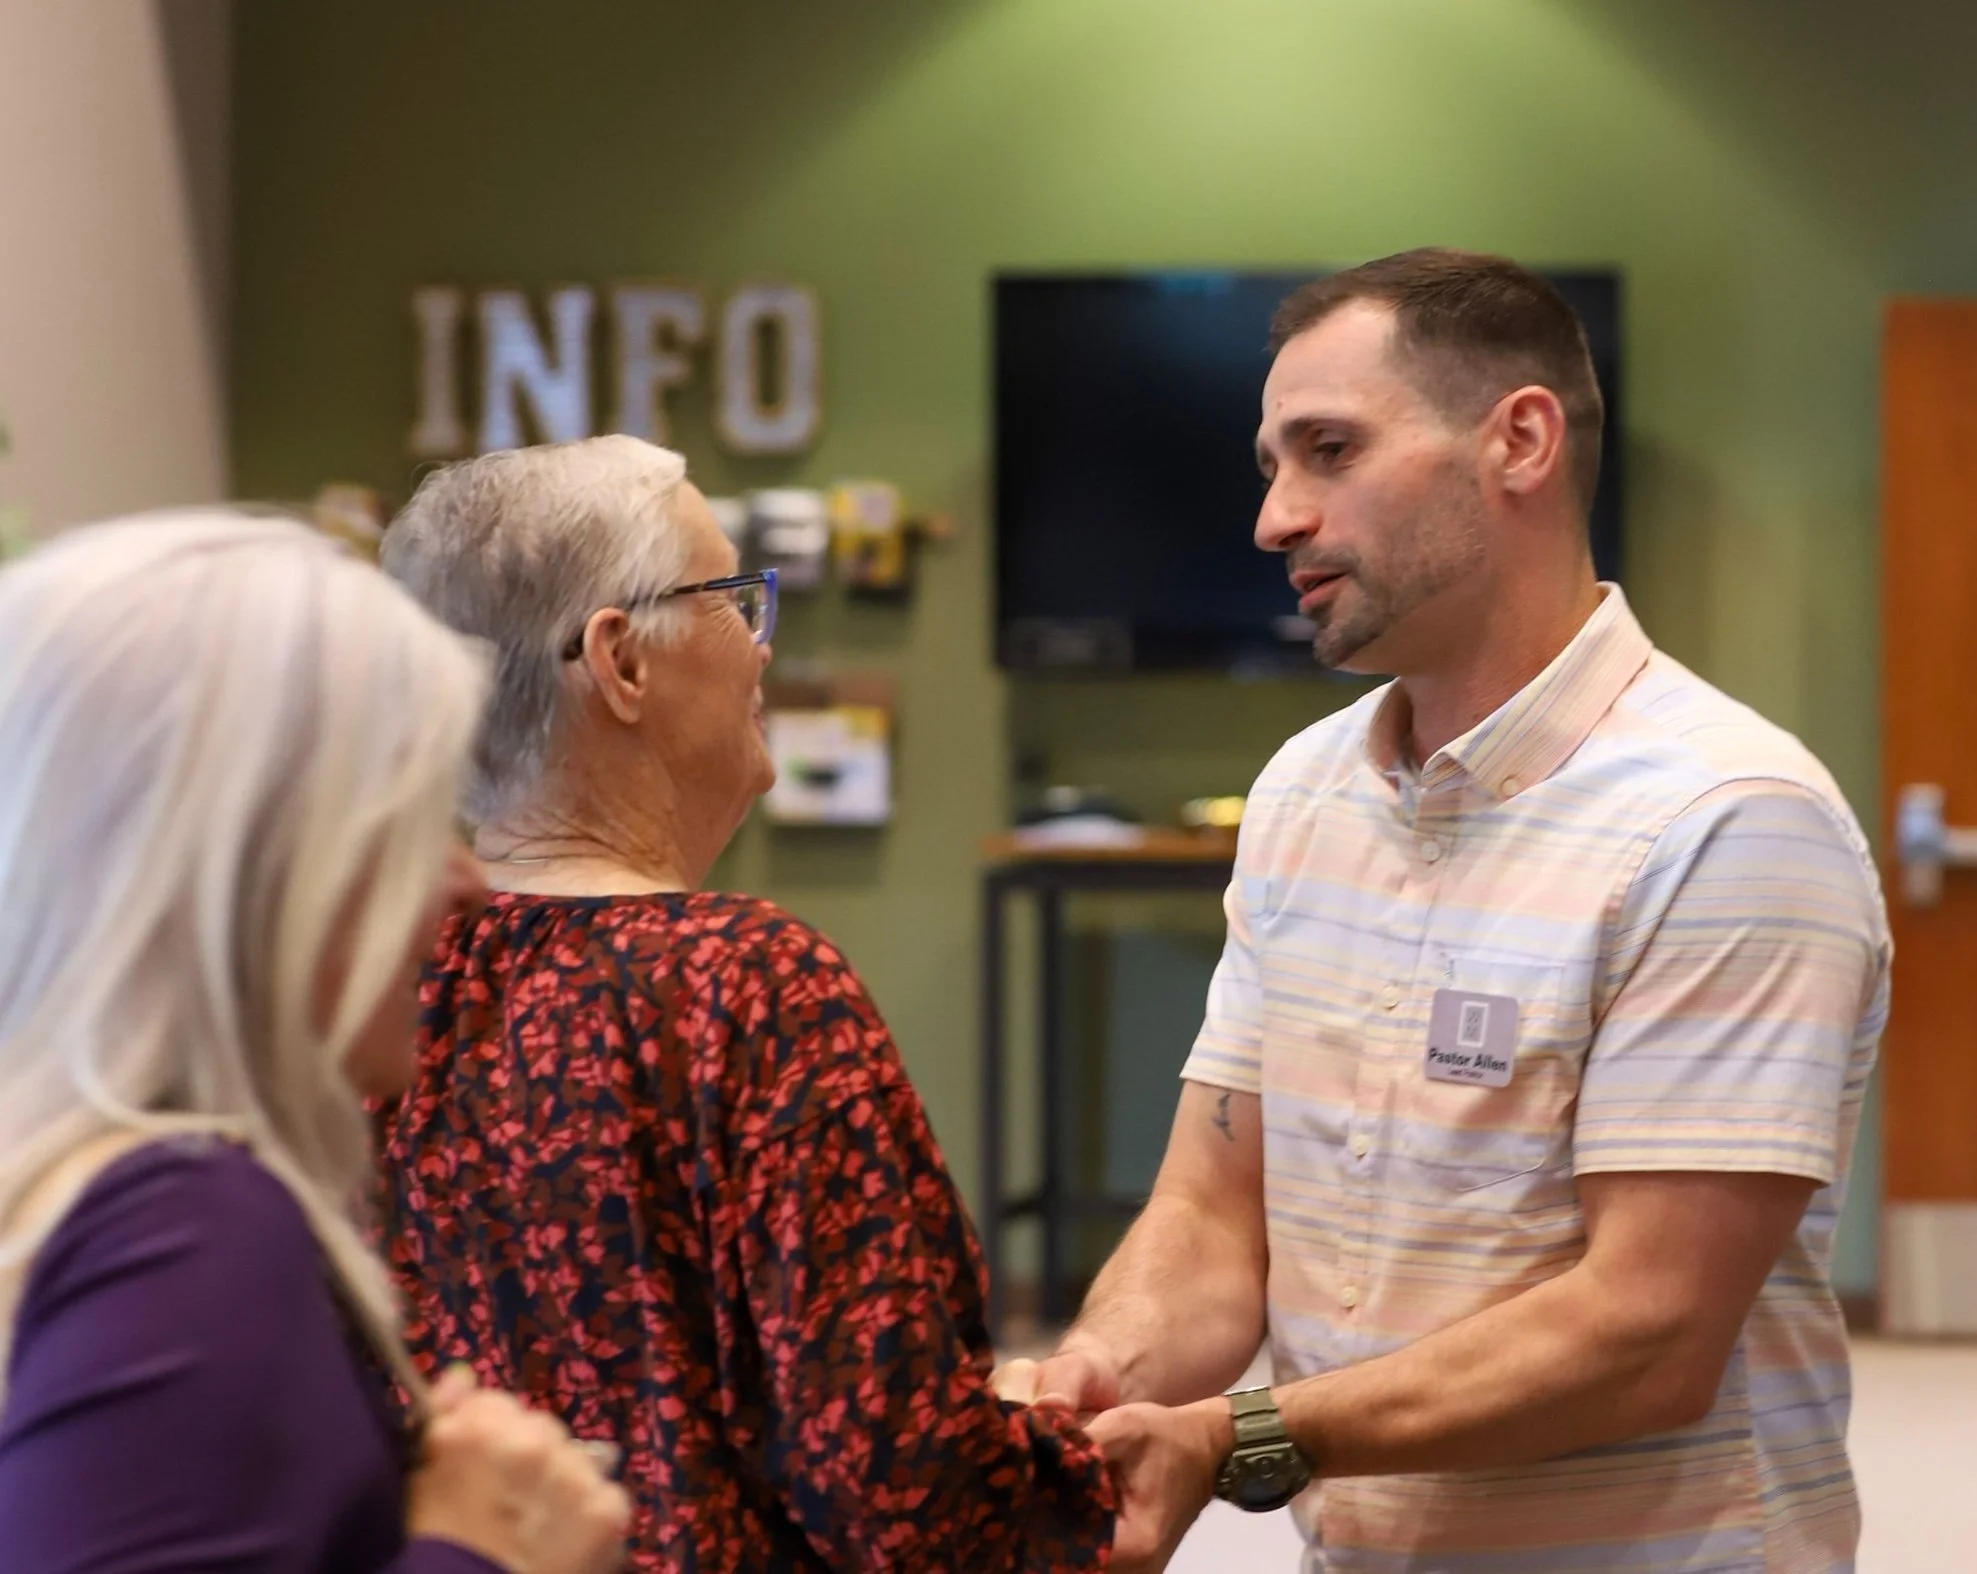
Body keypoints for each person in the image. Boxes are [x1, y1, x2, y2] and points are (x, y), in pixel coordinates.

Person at [996, 250, 1891, 1574]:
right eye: (1269, 464)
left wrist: (1234, 1435)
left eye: (1327, 450)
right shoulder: (1303, 793)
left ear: (1516, 440)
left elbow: (1645, 1331)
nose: (1274, 518)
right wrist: (1091, 1387)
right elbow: (1209, 1206)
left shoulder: (1727, 815)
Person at [375, 435, 1114, 1573]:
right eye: (730, 599)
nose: (761, 646)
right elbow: (908, 1494)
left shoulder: (380, 981)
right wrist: (1042, 1439)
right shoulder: (746, 987)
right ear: (619, 660)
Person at [0, 511, 632, 1574]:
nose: (467, 878)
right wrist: (486, 1549)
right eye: (406, 818)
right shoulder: (185, 1226)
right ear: (255, 860)